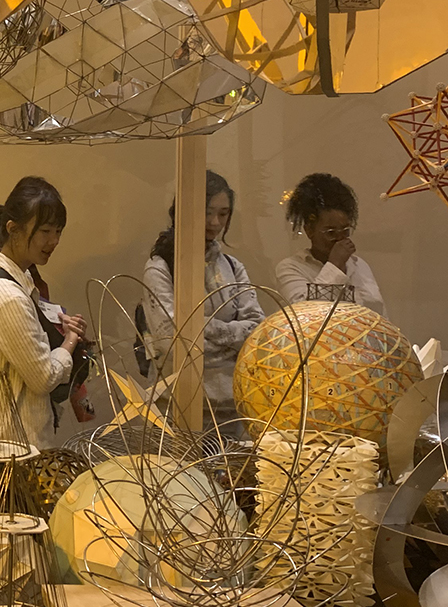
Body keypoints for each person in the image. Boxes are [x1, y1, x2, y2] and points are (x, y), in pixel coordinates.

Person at [0, 177, 87, 450]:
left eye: (58, 231)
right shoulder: (7, 295)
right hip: (11, 450)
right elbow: (43, 377)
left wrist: (56, 326)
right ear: (14, 230)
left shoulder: (17, 279)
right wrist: (69, 342)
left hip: (13, 444)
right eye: (45, 231)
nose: (53, 241)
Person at [142, 169, 264, 428]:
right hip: (176, 408)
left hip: (233, 408)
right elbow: (174, 345)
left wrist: (201, 324)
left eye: (223, 214)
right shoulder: (161, 266)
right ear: (186, 210)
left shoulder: (233, 266)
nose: (216, 223)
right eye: (208, 212)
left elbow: (257, 332)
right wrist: (232, 339)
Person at [275, 172, 386, 316]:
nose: (340, 239)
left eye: (345, 231)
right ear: (309, 230)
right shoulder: (290, 268)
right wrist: (334, 266)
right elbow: (304, 314)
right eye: (331, 232)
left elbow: (380, 316)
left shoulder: (360, 266)